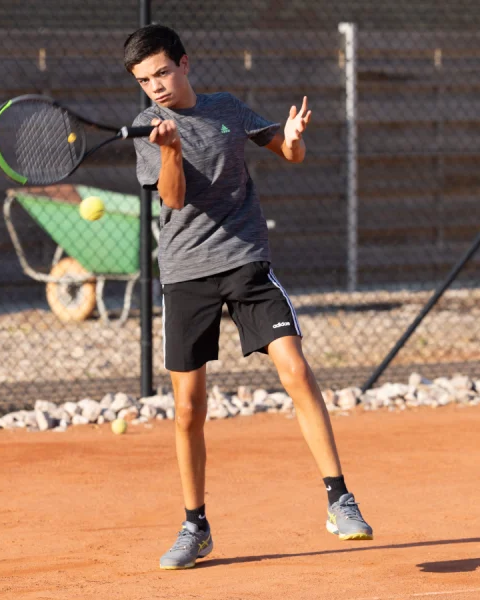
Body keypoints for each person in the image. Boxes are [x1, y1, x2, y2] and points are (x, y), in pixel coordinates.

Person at [124, 24, 373, 570]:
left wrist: (292, 135)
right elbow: (174, 196)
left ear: (184, 64)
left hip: (245, 261)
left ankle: (339, 500)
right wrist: (169, 149)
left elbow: (288, 152)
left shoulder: (227, 108)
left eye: (162, 72)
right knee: (189, 409)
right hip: (187, 272)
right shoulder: (148, 127)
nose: (156, 87)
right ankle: (196, 526)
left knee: (296, 371)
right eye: (145, 80)